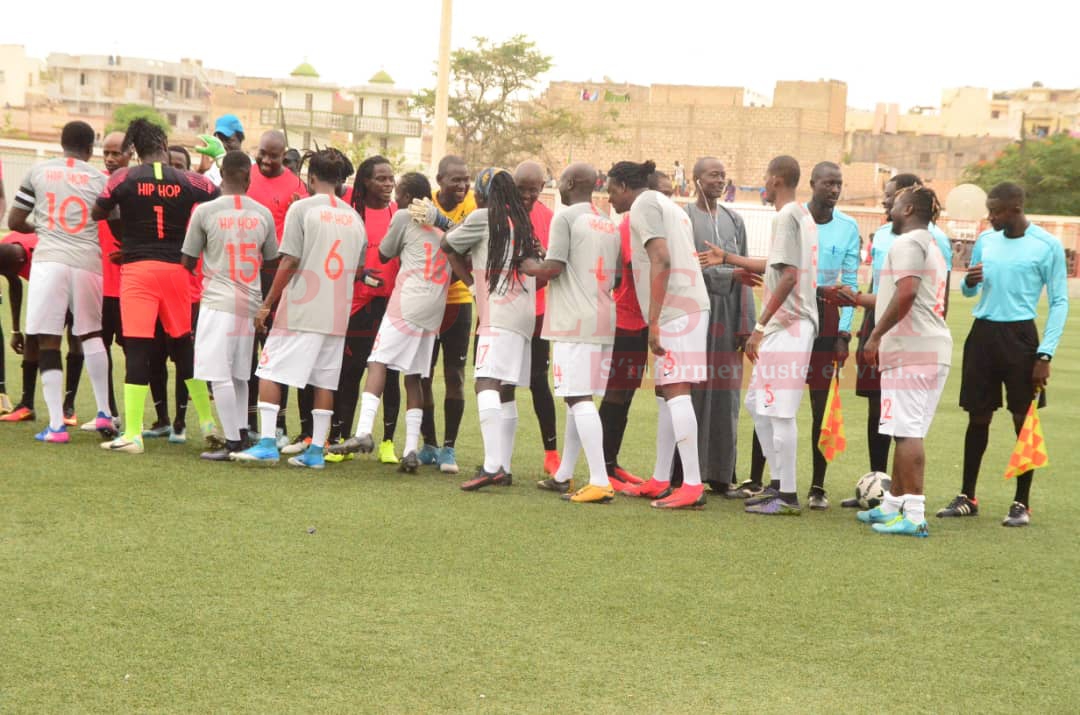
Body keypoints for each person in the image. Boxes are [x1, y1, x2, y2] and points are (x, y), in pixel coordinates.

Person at [937, 182, 1068, 527]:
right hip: (983, 334)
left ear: (1016, 209)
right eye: (989, 210)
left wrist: (1046, 354)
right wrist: (969, 282)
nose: (990, 216)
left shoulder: (1046, 245)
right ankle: (968, 496)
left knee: (1022, 420)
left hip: (1022, 338)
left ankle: (1021, 503)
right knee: (977, 416)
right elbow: (971, 291)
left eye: (995, 211)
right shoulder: (986, 241)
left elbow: (1059, 301)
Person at [92, 118, 222, 454]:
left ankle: (133, 434)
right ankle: (208, 423)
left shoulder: (125, 178)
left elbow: (98, 211)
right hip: (178, 270)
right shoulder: (189, 179)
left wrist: (127, 236)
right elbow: (217, 197)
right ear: (164, 147)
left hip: (138, 270)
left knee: (137, 349)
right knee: (182, 347)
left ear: (135, 151)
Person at [232, 148, 366, 468]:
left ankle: (266, 443)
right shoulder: (354, 217)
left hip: (303, 305)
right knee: (324, 380)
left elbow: (289, 259)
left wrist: (267, 305)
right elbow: (358, 269)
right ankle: (317, 452)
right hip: (336, 311)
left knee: (269, 368)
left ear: (311, 177)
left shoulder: (302, 209)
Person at [701, 156, 818, 515]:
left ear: (777, 178)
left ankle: (788, 495)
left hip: (789, 325)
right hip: (789, 325)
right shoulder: (802, 215)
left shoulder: (787, 216)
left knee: (780, 412)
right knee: (757, 404)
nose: (763, 184)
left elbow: (788, 276)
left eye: (766, 177)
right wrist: (729, 258)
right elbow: (776, 265)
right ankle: (778, 484)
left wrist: (759, 327)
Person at [847, 185, 951, 537]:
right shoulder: (928, 243)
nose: (887, 203)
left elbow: (905, 293)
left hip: (913, 350)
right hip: (925, 347)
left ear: (908, 209)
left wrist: (874, 336)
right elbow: (901, 293)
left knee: (908, 432)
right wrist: (857, 298)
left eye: (894, 200)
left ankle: (915, 513)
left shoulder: (907, 242)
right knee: (903, 429)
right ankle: (892, 504)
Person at [426, 168, 540, 490]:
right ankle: (503, 464)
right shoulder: (523, 221)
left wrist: (470, 282)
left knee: (485, 383)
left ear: (482, 192)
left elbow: (447, 244)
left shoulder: (483, 216)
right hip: (524, 315)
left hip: (498, 314)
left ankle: (492, 467)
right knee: (506, 389)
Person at [607, 160, 711, 510]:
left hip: (676, 311)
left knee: (677, 390)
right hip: (687, 306)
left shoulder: (643, 205)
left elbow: (661, 259)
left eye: (610, 190)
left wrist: (654, 321)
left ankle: (692, 484)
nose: (609, 198)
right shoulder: (666, 204)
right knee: (668, 393)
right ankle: (661, 478)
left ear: (623, 186)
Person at [329, 173, 449, 472]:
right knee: (414, 376)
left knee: (378, 361)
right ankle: (410, 449)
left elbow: (384, 254)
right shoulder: (444, 224)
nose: (394, 199)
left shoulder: (405, 216)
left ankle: (364, 431)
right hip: (435, 306)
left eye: (398, 194)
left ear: (408, 197)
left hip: (407, 301)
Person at [6, 121, 117, 443]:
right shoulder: (100, 178)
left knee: (48, 338)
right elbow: (117, 221)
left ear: (61, 143)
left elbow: (14, 220)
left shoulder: (38, 171)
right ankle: (103, 413)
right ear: (90, 147)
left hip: (49, 259)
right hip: (87, 261)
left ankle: (56, 425)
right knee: (92, 334)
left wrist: (43, 229)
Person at [523, 163, 620, 503]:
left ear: (571, 183)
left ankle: (599, 480)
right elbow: (618, 277)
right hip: (603, 317)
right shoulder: (608, 221)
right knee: (578, 397)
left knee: (577, 399)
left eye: (560, 179)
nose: (556, 184)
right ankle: (564, 473)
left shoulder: (565, 218)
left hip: (573, 319)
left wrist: (523, 265)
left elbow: (552, 268)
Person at [181, 151, 278, 460]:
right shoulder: (263, 214)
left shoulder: (205, 211)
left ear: (221, 175)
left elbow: (188, 259)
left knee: (217, 372)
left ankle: (233, 440)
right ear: (249, 178)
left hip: (218, 301)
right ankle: (240, 435)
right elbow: (272, 260)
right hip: (249, 303)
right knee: (239, 375)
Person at [675, 157, 758, 493]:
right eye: (713, 175)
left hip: (728, 317)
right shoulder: (683, 217)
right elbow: (686, 267)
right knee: (690, 393)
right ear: (696, 179)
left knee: (726, 397)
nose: (720, 180)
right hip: (694, 314)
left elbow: (747, 276)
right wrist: (729, 273)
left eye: (723, 175)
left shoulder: (734, 220)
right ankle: (683, 473)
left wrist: (746, 324)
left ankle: (723, 475)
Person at [327, 155, 402, 465]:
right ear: (365, 181)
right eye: (380, 179)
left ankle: (387, 442)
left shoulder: (398, 213)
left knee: (391, 375)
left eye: (390, 178)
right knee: (351, 372)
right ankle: (341, 438)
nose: (387, 184)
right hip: (356, 304)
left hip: (392, 305)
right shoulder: (349, 210)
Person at [800, 162, 860, 509]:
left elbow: (850, 283)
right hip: (794, 313)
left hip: (827, 320)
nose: (834, 190)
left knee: (821, 407)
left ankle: (817, 486)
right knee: (778, 400)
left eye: (838, 184)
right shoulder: (795, 219)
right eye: (827, 183)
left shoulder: (849, 227)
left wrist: (843, 333)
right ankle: (766, 478)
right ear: (812, 184)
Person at [246, 130, 310, 451]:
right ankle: (247, 424)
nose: (267, 161)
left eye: (274, 156)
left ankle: (279, 426)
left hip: (278, 274)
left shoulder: (297, 187)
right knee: (245, 353)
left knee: (274, 354)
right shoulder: (246, 177)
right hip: (244, 272)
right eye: (263, 154)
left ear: (284, 156)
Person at [416, 155, 474, 474]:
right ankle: (429, 444)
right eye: (455, 179)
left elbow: (469, 245)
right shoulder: (422, 204)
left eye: (466, 179)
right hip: (426, 301)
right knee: (423, 374)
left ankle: (449, 449)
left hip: (458, 301)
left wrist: (440, 221)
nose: (462, 185)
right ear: (440, 180)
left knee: (455, 376)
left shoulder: (474, 206)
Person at [514, 160, 560, 476]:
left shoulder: (549, 218)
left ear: (542, 188)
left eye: (534, 189)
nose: (528, 195)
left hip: (538, 312)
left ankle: (551, 453)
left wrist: (535, 279)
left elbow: (553, 267)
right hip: (502, 314)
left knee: (537, 382)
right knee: (498, 383)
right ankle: (497, 456)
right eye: (522, 189)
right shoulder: (500, 213)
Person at [0, 232, 37, 422]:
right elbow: (14, 283)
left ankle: (68, 409)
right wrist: (15, 330)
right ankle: (27, 405)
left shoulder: (39, 254)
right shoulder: (5, 248)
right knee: (32, 337)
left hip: (74, 277)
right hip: (47, 282)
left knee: (74, 336)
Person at [195, 114, 244, 186]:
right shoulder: (212, 170)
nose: (223, 145)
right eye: (220, 140)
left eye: (228, 140)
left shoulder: (252, 168)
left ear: (240, 139)